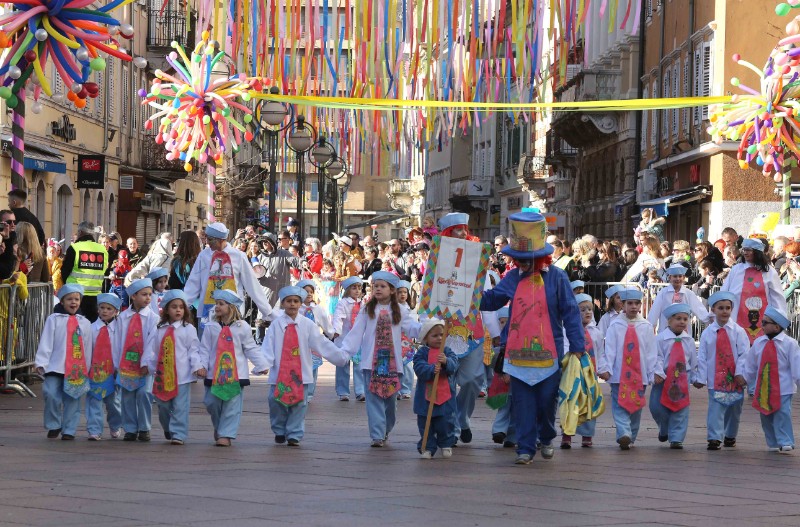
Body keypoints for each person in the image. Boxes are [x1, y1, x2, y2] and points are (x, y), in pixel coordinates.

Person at [479, 212, 584, 465]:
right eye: (518, 260)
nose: (522, 264)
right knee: (523, 403)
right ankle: (525, 448)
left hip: (550, 352)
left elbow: (570, 312)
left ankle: (546, 436)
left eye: (527, 260)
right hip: (517, 352)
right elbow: (493, 300)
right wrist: (467, 290)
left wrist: (578, 346)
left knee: (547, 401)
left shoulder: (557, 278)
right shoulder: (512, 277)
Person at [434, 212, 501, 446]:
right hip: (446, 328)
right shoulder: (437, 260)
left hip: (473, 329)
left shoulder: (477, 259)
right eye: (457, 229)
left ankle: (463, 417)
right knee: (448, 380)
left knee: (473, 379)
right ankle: (451, 426)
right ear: (447, 233)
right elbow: (430, 295)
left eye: (464, 229)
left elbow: (485, 299)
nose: (462, 233)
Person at [338, 271, 422, 447]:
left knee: (390, 401)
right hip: (371, 363)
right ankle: (377, 434)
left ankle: (385, 428)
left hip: (392, 364)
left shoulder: (399, 310)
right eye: (375, 286)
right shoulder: (367, 309)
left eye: (382, 286)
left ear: (392, 290)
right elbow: (356, 333)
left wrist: (430, 326)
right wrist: (345, 352)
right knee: (374, 399)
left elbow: (413, 329)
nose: (378, 289)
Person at [262, 286, 349, 446]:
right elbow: (268, 345)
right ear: (283, 304)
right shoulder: (276, 325)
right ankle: (279, 429)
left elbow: (321, 343)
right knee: (275, 401)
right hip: (280, 373)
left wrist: (339, 356)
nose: (292, 304)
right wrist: (264, 363)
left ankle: (294, 433)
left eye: (296, 301)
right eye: (289, 301)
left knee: (299, 403)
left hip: (300, 373)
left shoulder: (308, 325)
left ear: (300, 303)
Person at [198, 290, 270, 447]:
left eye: (221, 304)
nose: (217, 306)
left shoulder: (242, 327)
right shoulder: (210, 327)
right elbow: (204, 349)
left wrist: (261, 364)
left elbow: (250, 348)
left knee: (231, 405)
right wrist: (202, 365)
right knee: (211, 403)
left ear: (232, 307)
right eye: (216, 303)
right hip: (214, 374)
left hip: (235, 375)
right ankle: (220, 427)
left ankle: (226, 434)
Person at [596, 287, 657, 450]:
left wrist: (653, 372)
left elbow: (651, 352)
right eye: (630, 303)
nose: (634, 307)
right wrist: (606, 368)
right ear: (622, 305)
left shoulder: (646, 326)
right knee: (619, 404)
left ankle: (632, 436)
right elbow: (609, 349)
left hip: (640, 375)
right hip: (619, 375)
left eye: (637, 303)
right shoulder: (615, 326)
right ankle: (624, 432)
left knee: (636, 407)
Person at [184, 222, 274, 330]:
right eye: (206, 238)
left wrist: (267, 311)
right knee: (207, 345)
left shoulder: (239, 256)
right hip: (208, 312)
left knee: (231, 344)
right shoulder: (204, 255)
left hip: (232, 313)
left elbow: (252, 284)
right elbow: (193, 283)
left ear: (221, 240)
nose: (207, 242)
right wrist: (182, 305)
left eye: (210, 239)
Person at [736, 306, 800, 453]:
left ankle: (785, 441)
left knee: (782, 414)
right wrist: (745, 377)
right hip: (764, 387)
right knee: (765, 414)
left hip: (783, 388)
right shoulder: (759, 343)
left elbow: (796, 365)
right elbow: (751, 364)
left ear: (777, 326)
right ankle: (772, 442)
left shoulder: (790, 344)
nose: (761, 325)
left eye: (765, 323)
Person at [143, 290, 202, 445]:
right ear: (166, 310)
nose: (178, 310)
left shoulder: (188, 329)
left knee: (180, 406)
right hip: (163, 375)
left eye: (181, 307)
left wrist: (197, 366)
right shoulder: (160, 329)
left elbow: (193, 350)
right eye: (174, 307)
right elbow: (155, 352)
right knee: (163, 405)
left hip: (182, 376)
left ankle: (178, 434)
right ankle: (168, 428)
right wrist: (149, 367)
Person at [34, 284, 94, 440]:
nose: (73, 302)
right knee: (50, 393)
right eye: (69, 299)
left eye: (76, 299)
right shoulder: (53, 319)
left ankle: (69, 429)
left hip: (76, 368)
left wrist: (87, 367)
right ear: (62, 301)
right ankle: (54, 424)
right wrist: (41, 362)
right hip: (55, 365)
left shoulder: (85, 323)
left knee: (73, 398)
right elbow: (46, 340)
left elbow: (87, 346)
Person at [697, 291, 749, 450]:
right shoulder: (707, 333)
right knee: (716, 407)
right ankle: (714, 437)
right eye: (721, 308)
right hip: (715, 378)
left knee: (734, 408)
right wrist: (700, 378)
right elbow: (702, 357)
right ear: (713, 310)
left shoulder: (739, 331)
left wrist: (741, 372)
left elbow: (744, 353)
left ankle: (730, 435)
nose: (725, 311)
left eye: (728, 308)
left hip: (734, 378)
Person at [649, 303, 699, 450]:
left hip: (682, 379)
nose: (682, 322)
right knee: (657, 407)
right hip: (663, 379)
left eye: (685, 319)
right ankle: (664, 428)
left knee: (680, 408)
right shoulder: (660, 339)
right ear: (669, 321)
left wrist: (696, 377)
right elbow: (656, 357)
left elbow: (693, 360)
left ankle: (676, 438)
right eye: (678, 318)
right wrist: (658, 372)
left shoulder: (688, 340)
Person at [720, 238, 787, 344]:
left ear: (757, 252)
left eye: (749, 250)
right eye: (744, 249)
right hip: (736, 319)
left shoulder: (769, 272)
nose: (745, 252)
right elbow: (724, 292)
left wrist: (780, 319)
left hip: (762, 320)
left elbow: (777, 297)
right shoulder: (736, 269)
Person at [114, 278, 158, 442]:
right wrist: (116, 363)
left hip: (144, 365)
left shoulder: (153, 318)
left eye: (149, 294)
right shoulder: (123, 317)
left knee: (145, 393)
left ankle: (144, 427)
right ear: (133, 296)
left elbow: (153, 342)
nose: (147, 298)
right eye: (143, 294)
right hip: (126, 364)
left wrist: (147, 362)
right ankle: (130, 428)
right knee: (128, 395)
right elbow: (117, 341)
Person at [561, 293, 604, 449]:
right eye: (582, 309)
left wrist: (602, 368)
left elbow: (600, 353)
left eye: (590, 309)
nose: (587, 312)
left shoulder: (596, 333)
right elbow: (564, 348)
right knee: (571, 402)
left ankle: (587, 435)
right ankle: (567, 434)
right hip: (573, 374)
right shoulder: (566, 331)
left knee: (590, 403)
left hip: (590, 376)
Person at [413, 318, 458, 459]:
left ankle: (446, 443)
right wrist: (432, 369)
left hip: (444, 397)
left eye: (442, 335)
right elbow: (419, 368)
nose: (439, 338)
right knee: (426, 423)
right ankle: (427, 446)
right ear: (426, 338)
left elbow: (454, 365)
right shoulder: (422, 353)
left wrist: (446, 362)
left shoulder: (447, 351)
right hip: (425, 397)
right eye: (435, 335)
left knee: (445, 422)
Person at [85, 293, 123, 441]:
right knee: (94, 400)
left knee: (113, 402)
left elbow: (120, 348)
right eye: (102, 308)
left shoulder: (119, 329)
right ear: (97, 309)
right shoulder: (91, 328)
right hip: (95, 371)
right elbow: (87, 349)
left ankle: (115, 425)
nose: (105, 311)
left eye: (109, 308)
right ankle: (94, 430)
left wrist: (119, 367)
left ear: (115, 311)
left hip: (113, 371)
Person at [295, 279, 335, 401]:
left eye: (311, 291)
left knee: (313, 369)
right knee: (298, 368)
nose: (309, 294)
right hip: (299, 344)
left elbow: (325, 324)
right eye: (305, 291)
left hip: (313, 345)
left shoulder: (317, 309)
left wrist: (332, 335)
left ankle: (309, 394)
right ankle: (298, 391)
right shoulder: (296, 308)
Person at [62, 221, 108, 322]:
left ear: (81, 232)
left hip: (75, 296)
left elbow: (64, 272)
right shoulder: (102, 250)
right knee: (91, 330)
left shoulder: (74, 248)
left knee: (74, 329)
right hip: (95, 297)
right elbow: (104, 270)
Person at [646, 264, 712, 331]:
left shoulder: (688, 293)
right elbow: (654, 311)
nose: (678, 279)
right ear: (669, 278)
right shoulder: (663, 293)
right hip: (666, 332)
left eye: (680, 276)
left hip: (684, 333)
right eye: (675, 276)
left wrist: (711, 320)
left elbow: (699, 308)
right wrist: (649, 327)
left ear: (683, 278)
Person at [333, 276, 365, 402]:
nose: (357, 291)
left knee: (359, 365)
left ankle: (360, 391)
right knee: (343, 365)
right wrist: (336, 330)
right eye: (354, 288)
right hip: (345, 339)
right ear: (347, 290)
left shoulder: (362, 304)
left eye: (359, 288)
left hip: (358, 340)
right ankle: (343, 391)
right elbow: (338, 317)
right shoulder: (343, 303)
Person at [252, 232, 298, 308]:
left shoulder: (284, 254)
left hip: (282, 292)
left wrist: (303, 263)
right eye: (263, 241)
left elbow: (295, 261)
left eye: (267, 241)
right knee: (264, 316)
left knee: (281, 315)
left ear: (272, 242)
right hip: (265, 292)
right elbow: (254, 275)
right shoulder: (259, 258)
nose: (264, 243)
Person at [396, 280, 417, 400]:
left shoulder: (411, 309)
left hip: (408, 341)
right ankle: (397, 388)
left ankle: (406, 389)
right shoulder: (392, 308)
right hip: (396, 340)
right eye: (400, 292)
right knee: (397, 365)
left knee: (408, 365)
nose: (402, 295)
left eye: (405, 292)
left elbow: (415, 324)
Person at [0, 209, 16, 281]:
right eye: (9, 222)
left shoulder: (12, 238)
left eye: (14, 222)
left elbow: (7, 271)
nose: (12, 224)